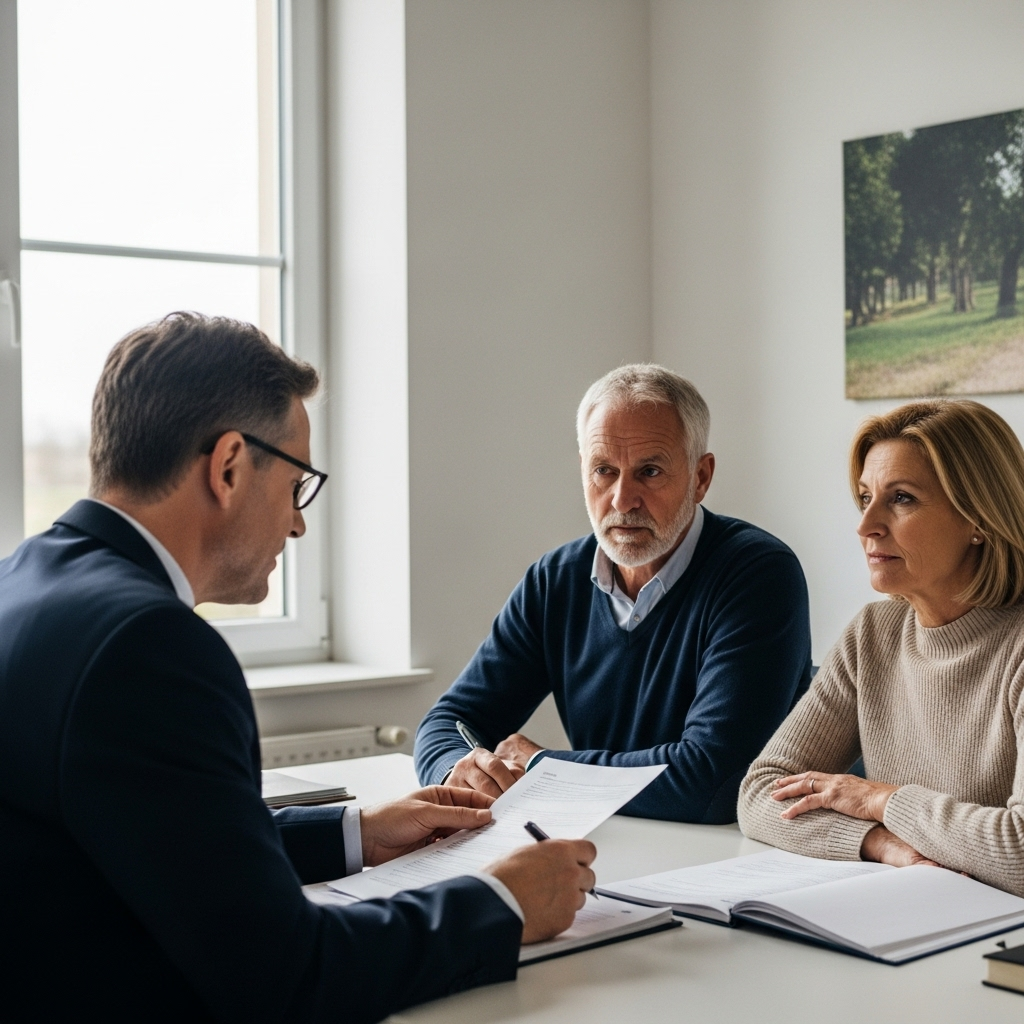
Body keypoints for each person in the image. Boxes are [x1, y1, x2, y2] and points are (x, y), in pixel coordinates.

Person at [0, 312, 596, 1023]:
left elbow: (150, 840)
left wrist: (354, 833)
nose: (297, 524)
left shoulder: (26, 583)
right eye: (297, 485)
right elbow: (286, 976)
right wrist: (501, 904)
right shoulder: (151, 645)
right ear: (227, 467)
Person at [415, 364, 812, 823]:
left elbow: (714, 783)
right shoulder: (555, 580)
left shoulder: (757, 574)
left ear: (701, 477)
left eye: (650, 471)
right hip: (605, 841)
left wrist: (546, 769)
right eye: (604, 470)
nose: (623, 499)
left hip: (727, 859)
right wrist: (458, 772)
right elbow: (449, 722)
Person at [738, 400, 1024, 898]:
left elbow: (1020, 852)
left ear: (979, 516)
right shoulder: (873, 633)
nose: (866, 524)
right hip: (913, 911)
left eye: (903, 499)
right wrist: (880, 842)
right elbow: (761, 793)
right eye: (865, 497)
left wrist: (879, 799)